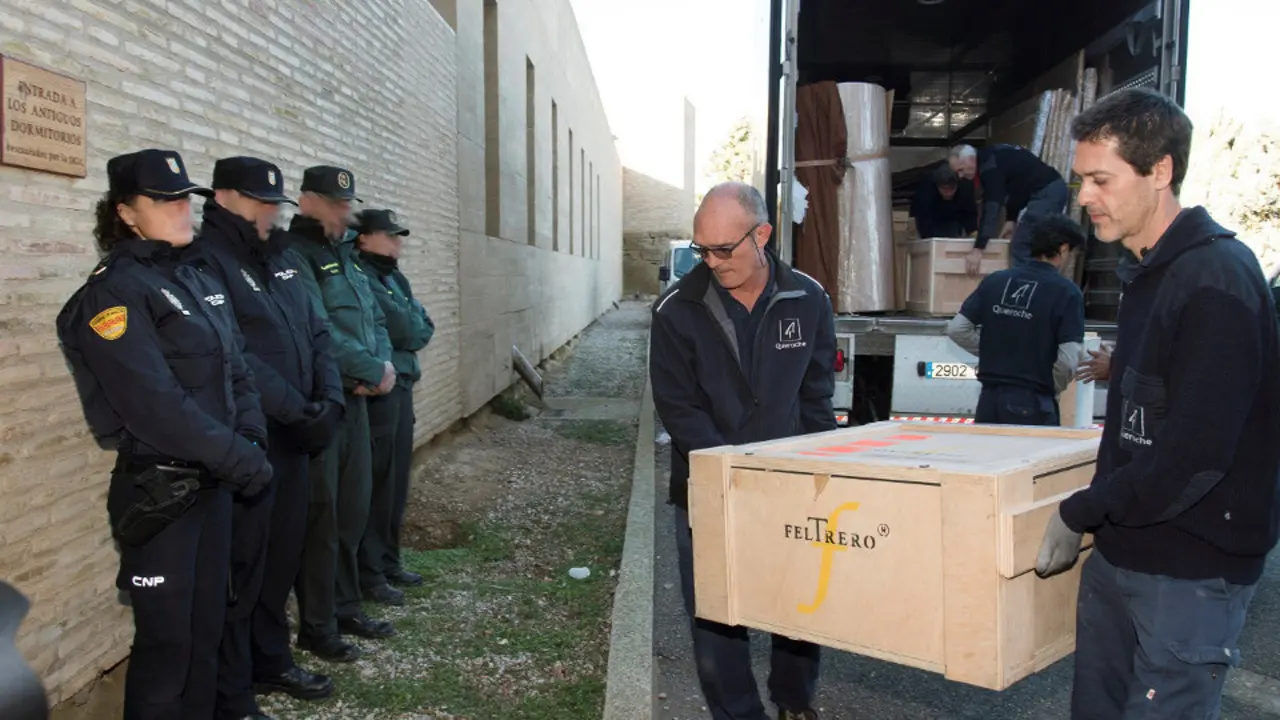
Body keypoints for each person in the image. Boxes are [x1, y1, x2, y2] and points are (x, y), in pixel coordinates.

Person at [1035, 87, 1280, 718]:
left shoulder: (1216, 277)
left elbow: (1195, 454)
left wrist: (1080, 510)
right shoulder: (1149, 272)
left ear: (1160, 171)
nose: (1084, 197)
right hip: (1126, 551)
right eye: (1080, 180)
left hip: (1190, 571)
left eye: (1100, 179)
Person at [55, 149, 273, 719]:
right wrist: (239, 456)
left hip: (216, 483)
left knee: (206, 635)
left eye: (186, 197)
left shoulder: (193, 276)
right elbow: (154, 407)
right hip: (164, 495)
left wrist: (249, 436)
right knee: (167, 649)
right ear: (126, 212)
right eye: (165, 199)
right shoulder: (115, 293)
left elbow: (236, 368)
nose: (182, 209)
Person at [649, 181, 836, 720]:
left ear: (763, 235)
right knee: (717, 619)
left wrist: (821, 471)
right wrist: (732, 475)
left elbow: (817, 393)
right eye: (701, 249)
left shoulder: (808, 297)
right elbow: (679, 409)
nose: (710, 262)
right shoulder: (675, 310)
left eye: (723, 250)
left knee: (798, 603)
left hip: (792, 486)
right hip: (710, 489)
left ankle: (794, 699)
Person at [195, 156, 344, 716]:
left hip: (300, 431)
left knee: (282, 556)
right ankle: (234, 685)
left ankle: (271, 658)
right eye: (260, 202)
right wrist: (296, 410)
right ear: (224, 197)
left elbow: (316, 328)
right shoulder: (207, 257)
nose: (269, 213)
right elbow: (235, 353)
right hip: (257, 435)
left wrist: (327, 399)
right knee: (245, 567)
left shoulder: (278, 254)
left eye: (275, 204)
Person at [284, 165, 396, 661]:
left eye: (347, 203)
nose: (344, 211)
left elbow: (372, 316)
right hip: (325, 401)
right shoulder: (295, 254)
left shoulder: (344, 253)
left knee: (353, 507)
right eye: (335, 202)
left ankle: (347, 605)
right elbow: (318, 327)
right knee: (324, 518)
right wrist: (369, 367)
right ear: (307, 200)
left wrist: (383, 366)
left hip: (360, 398)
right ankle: (318, 623)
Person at [352, 209, 435, 605]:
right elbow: (402, 328)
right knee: (378, 484)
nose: (397, 243)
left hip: (402, 384)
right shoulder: (362, 276)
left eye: (399, 236)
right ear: (364, 238)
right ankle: (370, 571)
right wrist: (410, 327)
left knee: (398, 481)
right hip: (380, 390)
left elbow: (422, 327)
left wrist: (410, 326)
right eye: (390, 236)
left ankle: (389, 560)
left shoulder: (392, 276)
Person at [945, 214, 1086, 426]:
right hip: (1034, 402)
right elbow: (1067, 361)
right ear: (1063, 249)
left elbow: (957, 329)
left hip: (988, 401)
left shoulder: (995, 280)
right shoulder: (1067, 292)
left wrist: (999, 351)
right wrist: (1051, 388)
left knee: (991, 458)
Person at [949, 142, 1068, 272]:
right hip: (1051, 190)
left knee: (1021, 244)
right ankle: (1039, 282)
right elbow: (1018, 185)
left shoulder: (988, 166)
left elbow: (992, 206)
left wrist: (978, 248)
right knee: (1036, 245)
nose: (960, 176)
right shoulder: (993, 155)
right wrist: (1011, 219)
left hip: (1048, 193)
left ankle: (1025, 288)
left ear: (971, 159)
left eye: (961, 170)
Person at [910, 163, 977, 239]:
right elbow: (922, 218)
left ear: (956, 184)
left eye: (951, 188)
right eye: (944, 189)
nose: (948, 193)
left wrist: (972, 231)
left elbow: (970, 212)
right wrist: (928, 238)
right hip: (932, 217)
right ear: (937, 186)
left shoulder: (965, 187)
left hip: (954, 216)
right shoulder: (926, 190)